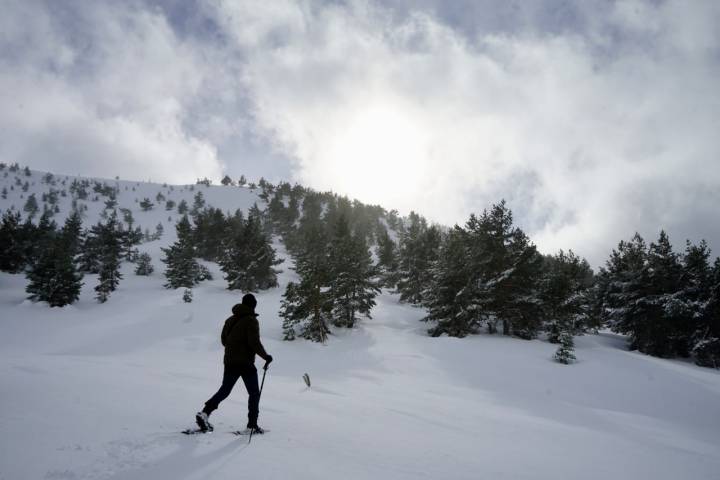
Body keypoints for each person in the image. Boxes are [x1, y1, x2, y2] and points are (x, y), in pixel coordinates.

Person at [195, 293, 273, 433]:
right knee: (254, 393)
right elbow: (254, 342)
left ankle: (205, 412)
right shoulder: (251, 321)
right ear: (253, 305)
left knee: (225, 390)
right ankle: (252, 425)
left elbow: (224, 341)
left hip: (230, 361)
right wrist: (266, 356)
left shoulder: (230, 319)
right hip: (245, 363)